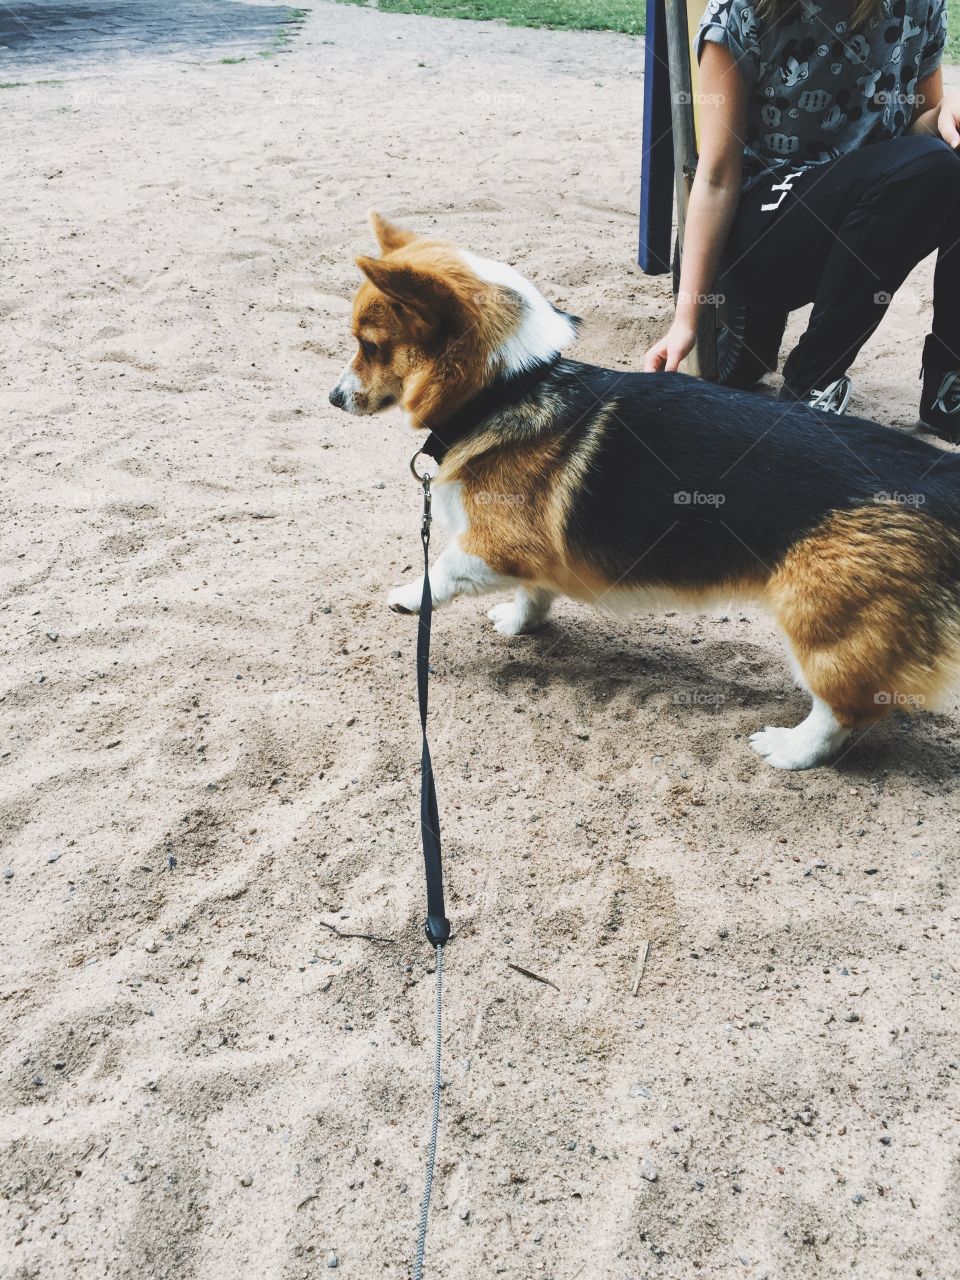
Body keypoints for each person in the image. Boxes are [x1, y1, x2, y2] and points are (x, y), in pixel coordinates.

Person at [643, 0, 960, 436]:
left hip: (857, 207)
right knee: (938, 164)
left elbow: (916, 144)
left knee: (952, 158)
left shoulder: (919, 5)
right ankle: (812, 382)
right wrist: (685, 321)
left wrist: (945, 117)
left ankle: (950, 386)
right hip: (757, 233)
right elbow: (716, 179)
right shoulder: (739, 13)